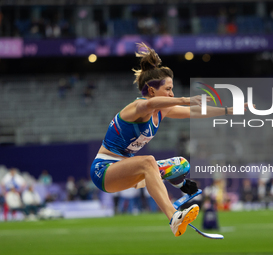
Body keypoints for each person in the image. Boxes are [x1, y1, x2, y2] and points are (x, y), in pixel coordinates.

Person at [90, 42, 247, 237]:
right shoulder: (137, 108)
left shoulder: (161, 111)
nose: (172, 94)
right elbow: (153, 104)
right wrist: (184, 99)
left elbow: (194, 112)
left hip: (125, 171)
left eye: (173, 89)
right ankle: (174, 217)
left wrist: (229, 110)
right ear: (152, 90)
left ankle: (178, 186)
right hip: (104, 170)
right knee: (148, 162)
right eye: (168, 89)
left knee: (180, 164)